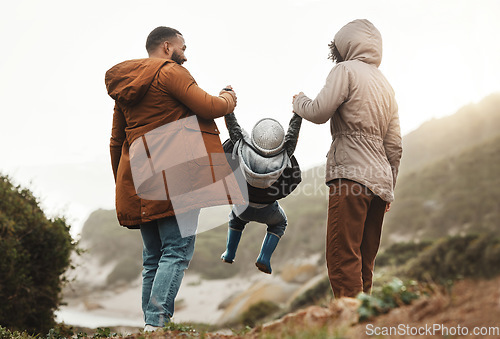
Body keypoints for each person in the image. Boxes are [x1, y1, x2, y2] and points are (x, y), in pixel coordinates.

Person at [104, 26, 244, 331]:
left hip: (139, 179)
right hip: (177, 173)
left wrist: (123, 183)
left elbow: (117, 140)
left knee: (153, 257)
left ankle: (149, 326)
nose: (185, 52)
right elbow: (209, 106)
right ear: (167, 47)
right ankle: (156, 325)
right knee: (176, 251)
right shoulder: (171, 73)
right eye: (183, 46)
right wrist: (228, 97)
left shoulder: (126, 86)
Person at [292, 19, 402, 298]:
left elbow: (318, 112)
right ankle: (365, 321)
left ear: (345, 46)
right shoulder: (387, 85)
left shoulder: (344, 70)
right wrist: (389, 189)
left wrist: (299, 101)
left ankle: (350, 323)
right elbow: (395, 146)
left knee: (343, 258)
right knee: (365, 261)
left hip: (351, 176)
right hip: (381, 183)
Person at [220, 112, 302, 274]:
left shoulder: (241, 148)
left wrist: (228, 103)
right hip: (268, 210)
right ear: (279, 141)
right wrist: (297, 113)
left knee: (236, 219)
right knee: (280, 223)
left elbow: (232, 126)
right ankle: (264, 257)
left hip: (242, 206)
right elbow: (293, 134)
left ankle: (229, 253)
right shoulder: (285, 154)